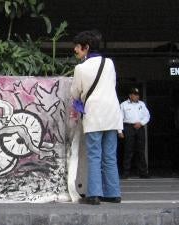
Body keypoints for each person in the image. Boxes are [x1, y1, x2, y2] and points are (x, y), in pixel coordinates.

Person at [70, 30, 123, 205]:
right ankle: (114, 193)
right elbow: (111, 85)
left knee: (94, 154)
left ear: (86, 47)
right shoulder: (109, 63)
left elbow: (75, 93)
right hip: (112, 113)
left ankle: (94, 195)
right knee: (109, 155)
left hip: (94, 114)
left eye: (77, 47)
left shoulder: (80, 68)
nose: (75, 50)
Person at [119, 87, 150, 179]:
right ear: (130, 95)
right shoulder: (124, 105)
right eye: (135, 94)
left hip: (140, 128)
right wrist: (119, 131)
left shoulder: (142, 104)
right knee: (128, 150)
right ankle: (126, 173)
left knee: (140, 150)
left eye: (137, 94)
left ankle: (143, 172)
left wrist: (141, 123)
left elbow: (147, 116)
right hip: (129, 127)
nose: (137, 96)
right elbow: (120, 118)